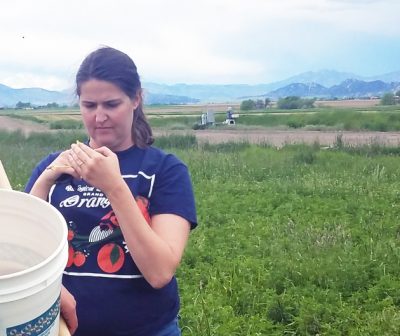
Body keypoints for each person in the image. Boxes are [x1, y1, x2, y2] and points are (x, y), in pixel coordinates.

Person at [25, 46, 197, 336]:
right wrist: (45, 179)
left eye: (111, 104)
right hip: (63, 329)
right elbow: (24, 249)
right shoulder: (54, 168)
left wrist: (114, 186)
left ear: (136, 99)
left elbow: (159, 272)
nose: (99, 116)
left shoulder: (164, 170)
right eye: (89, 105)